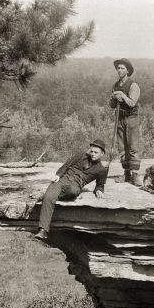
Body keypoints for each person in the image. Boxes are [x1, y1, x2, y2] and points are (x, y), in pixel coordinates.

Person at [35, 140, 107, 241]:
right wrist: (58, 175)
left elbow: (100, 185)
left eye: (96, 152)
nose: (93, 154)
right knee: (49, 197)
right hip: (63, 180)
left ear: (102, 154)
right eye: (92, 151)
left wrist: (99, 190)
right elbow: (66, 165)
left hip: (75, 185)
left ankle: (49, 195)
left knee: (72, 192)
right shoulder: (80, 155)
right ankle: (43, 230)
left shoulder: (101, 170)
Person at [109, 58, 141, 186]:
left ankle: (135, 175)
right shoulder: (115, 85)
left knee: (133, 147)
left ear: (128, 71)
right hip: (120, 119)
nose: (120, 70)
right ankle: (126, 174)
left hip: (131, 119)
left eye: (122, 68)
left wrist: (121, 95)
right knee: (122, 148)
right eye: (118, 68)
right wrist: (113, 97)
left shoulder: (133, 85)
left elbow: (132, 103)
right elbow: (112, 104)